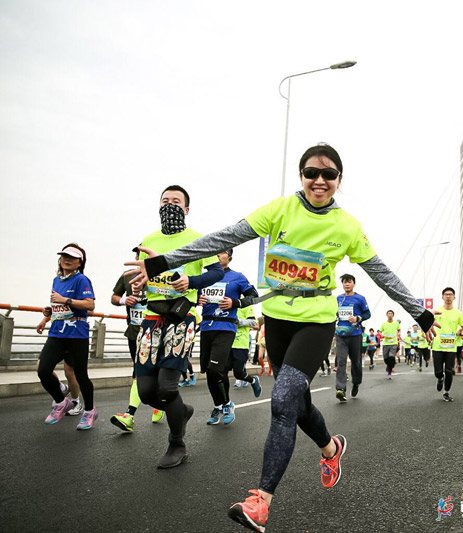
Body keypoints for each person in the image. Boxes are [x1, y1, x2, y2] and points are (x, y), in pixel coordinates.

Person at [124, 143, 437, 532]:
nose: (319, 180)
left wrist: (419, 312)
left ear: (340, 180)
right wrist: (161, 262)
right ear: (301, 176)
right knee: (298, 404)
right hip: (276, 319)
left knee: (284, 399)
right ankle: (330, 448)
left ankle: (261, 502)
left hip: (316, 321)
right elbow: (223, 239)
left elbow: (381, 272)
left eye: (329, 174)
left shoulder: (348, 226)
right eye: (311, 172)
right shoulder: (278, 210)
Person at [128, 185, 224, 468]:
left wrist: (190, 282)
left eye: (176, 201)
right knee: (146, 391)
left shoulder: (198, 239)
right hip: (151, 317)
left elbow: (216, 271)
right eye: (165, 201)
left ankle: (177, 444)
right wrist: (138, 281)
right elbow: (144, 272)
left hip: (182, 317)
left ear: (187, 209)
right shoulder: (148, 238)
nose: (170, 205)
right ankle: (181, 411)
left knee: (168, 386)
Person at [35, 243, 98, 429]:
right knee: (43, 370)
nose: (67, 260)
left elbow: (89, 305)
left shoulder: (82, 280)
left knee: (80, 375)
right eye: (64, 256)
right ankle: (62, 402)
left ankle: (89, 411)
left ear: (79, 262)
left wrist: (65, 300)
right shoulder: (57, 280)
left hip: (76, 334)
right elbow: (59, 307)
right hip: (56, 332)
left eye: (71, 257)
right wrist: (48, 315)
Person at [198, 249, 260, 425]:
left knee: (216, 369)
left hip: (226, 327)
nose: (218, 255)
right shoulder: (204, 277)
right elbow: (190, 294)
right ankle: (219, 405)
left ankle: (228, 404)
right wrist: (197, 299)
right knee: (209, 371)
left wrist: (235, 303)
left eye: (222, 252)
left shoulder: (237, 277)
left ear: (229, 257)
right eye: (215, 252)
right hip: (206, 326)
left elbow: (253, 297)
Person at [110, 247, 162, 432]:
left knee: (154, 373)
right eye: (138, 254)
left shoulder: (160, 275)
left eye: (145, 254)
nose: (140, 257)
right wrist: (124, 301)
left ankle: (157, 405)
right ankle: (130, 416)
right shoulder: (127, 276)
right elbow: (114, 297)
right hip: (134, 332)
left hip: (157, 330)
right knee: (138, 371)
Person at [334, 273, 370, 401]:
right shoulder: (338, 299)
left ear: (353, 283)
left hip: (355, 334)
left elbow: (367, 314)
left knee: (356, 363)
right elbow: (333, 314)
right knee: (341, 361)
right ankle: (340, 389)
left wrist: (357, 318)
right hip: (341, 335)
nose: (347, 284)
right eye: (344, 282)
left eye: (349, 282)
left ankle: (356, 383)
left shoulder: (360, 299)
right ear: (342, 284)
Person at [431, 287, 463, 402]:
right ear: (442, 297)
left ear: (454, 297)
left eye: (450, 294)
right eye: (446, 294)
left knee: (449, 370)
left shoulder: (458, 313)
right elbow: (428, 323)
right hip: (437, 346)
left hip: (451, 347)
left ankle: (446, 392)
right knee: (438, 371)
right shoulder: (437, 311)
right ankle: (440, 378)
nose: (448, 296)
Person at [231, 305, 261, 394]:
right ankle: (224, 403)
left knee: (238, 372)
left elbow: (254, 323)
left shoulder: (245, 305)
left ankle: (252, 380)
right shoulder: (223, 303)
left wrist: (239, 322)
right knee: (219, 371)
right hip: (226, 342)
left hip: (240, 343)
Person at [380, 310, 401, 379]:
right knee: (386, 358)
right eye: (389, 314)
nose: (390, 315)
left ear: (393, 315)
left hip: (393, 343)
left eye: (391, 314)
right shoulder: (384, 324)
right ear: (387, 315)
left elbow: (399, 329)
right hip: (386, 343)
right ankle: (389, 366)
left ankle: (389, 372)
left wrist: (399, 333)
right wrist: (382, 335)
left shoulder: (396, 323)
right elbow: (380, 331)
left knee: (391, 357)